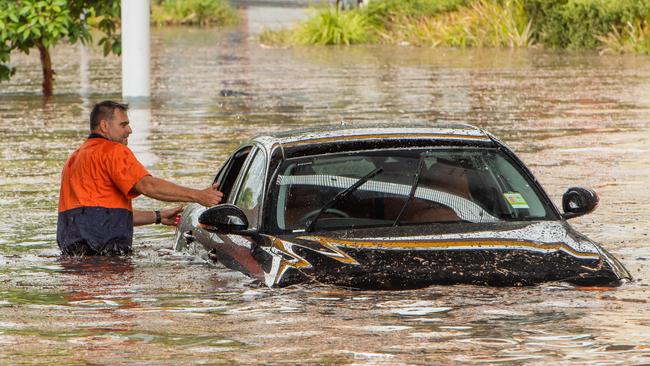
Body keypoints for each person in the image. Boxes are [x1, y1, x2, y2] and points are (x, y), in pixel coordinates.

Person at [57, 100, 223, 256]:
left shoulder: (74, 159)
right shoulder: (113, 151)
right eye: (124, 124)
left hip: (73, 254)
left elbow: (102, 217)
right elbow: (148, 186)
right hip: (106, 257)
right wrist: (199, 195)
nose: (129, 130)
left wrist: (158, 216)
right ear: (104, 125)